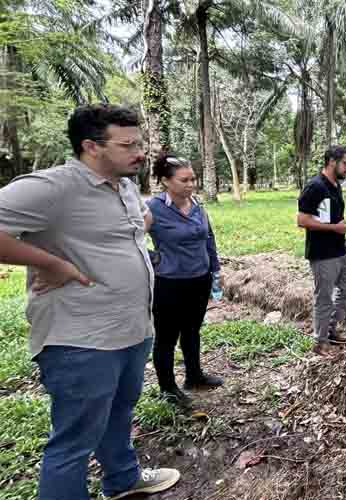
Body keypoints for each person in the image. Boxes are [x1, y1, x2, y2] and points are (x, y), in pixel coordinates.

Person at [0, 104, 180, 499]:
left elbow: (137, 223)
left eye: (140, 143)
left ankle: (123, 478)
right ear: (91, 146)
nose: (140, 153)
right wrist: (50, 262)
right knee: (74, 441)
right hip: (81, 339)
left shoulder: (125, 185)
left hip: (132, 329)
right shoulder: (53, 188)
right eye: (127, 145)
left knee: (119, 412)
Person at [146, 152, 223, 408]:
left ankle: (194, 376)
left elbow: (208, 237)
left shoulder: (197, 204)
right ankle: (168, 388)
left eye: (193, 179)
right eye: (184, 180)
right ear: (166, 181)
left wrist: (215, 269)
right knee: (166, 337)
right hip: (169, 283)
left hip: (199, 279)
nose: (191, 184)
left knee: (192, 330)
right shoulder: (153, 207)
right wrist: (154, 258)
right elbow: (129, 238)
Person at [296, 145, 346, 357]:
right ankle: (320, 342)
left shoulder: (335, 185)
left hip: (340, 249)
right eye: (345, 163)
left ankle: (330, 330)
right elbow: (302, 220)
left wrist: (342, 225)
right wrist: (334, 228)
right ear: (332, 161)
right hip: (322, 253)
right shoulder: (315, 187)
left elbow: (330, 215)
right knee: (324, 298)